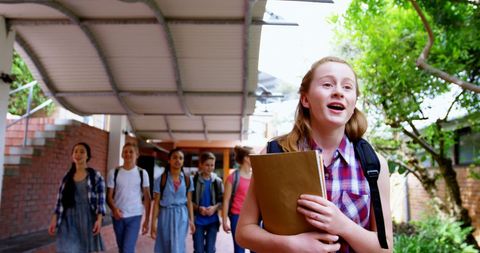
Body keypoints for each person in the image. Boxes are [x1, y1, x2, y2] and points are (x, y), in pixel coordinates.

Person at [236, 56, 393, 253]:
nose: (338, 92)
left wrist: (343, 225)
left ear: (354, 103)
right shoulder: (273, 154)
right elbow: (244, 232)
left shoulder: (374, 164)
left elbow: (385, 248)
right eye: (327, 84)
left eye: (347, 87)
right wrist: (292, 245)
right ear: (305, 99)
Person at [48, 142, 106, 253]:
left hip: (87, 219)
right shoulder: (67, 177)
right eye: (75, 151)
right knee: (69, 249)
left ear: (87, 156)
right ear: (72, 155)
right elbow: (59, 201)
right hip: (68, 220)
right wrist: (54, 219)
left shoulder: (95, 176)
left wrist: (99, 220)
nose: (78, 154)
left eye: (82, 152)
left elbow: (100, 202)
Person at [107, 142, 151, 253]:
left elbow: (147, 197)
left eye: (131, 151)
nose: (128, 154)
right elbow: (108, 196)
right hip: (118, 216)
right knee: (122, 248)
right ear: (122, 154)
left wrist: (146, 220)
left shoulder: (142, 173)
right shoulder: (114, 172)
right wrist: (114, 209)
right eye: (125, 151)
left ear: (137, 154)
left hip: (135, 216)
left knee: (127, 249)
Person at [151, 148, 195, 253]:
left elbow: (189, 202)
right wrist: (153, 223)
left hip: (181, 216)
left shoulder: (188, 180)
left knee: (178, 247)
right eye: (174, 157)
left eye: (181, 158)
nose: (178, 160)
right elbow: (156, 203)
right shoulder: (161, 179)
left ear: (183, 161)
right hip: (165, 215)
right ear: (169, 160)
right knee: (164, 245)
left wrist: (191, 220)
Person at [222, 146, 254, 253]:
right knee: (239, 249)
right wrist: (224, 221)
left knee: (256, 248)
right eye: (253, 155)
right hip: (237, 217)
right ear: (246, 158)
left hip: (254, 217)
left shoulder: (255, 176)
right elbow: (226, 200)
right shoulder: (233, 178)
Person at [191, 152, 224, 253]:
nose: (210, 168)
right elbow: (188, 201)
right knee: (199, 250)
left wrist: (214, 208)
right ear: (201, 164)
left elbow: (222, 202)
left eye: (212, 165)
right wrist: (198, 208)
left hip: (213, 221)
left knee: (210, 250)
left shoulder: (218, 182)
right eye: (207, 165)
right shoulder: (194, 180)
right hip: (198, 221)